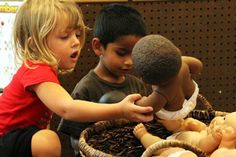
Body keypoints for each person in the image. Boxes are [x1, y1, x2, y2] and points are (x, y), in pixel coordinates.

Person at [0, 1, 154, 157]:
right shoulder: (36, 71)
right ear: (34, 45)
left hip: (16, 137)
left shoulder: (38, 70)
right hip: (4, 138)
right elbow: (67, 109)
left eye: (77, 35)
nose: (75, 42)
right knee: (47, 141)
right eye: (64, 36)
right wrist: (120, 110)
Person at [57, 3, 152, 156]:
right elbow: (74, 140)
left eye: (135, 53)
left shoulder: (137, 85)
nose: (130, 61)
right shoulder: (86, 88)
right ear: (98, 46)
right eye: (121, 53)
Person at [132, 34, 203, 120]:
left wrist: (136, 102)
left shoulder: (161, 91)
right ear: (177, 50)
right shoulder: (183, 62)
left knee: (156, 115)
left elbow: (149, 108)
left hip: (174, 113)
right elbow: (198, 66)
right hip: (193, 95)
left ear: (145, 80)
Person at [134, 112, 236, 156]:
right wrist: (194, 124)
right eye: (223, 117)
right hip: (179, 131)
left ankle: (143, 135)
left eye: (224, 120)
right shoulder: (208, 129)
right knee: (177, 123)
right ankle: (163, 116)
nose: (218, 120)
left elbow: (202, 147)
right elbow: (201, 128)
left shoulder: (214, 146)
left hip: (172, 146)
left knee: (158, 146)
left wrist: (214, 138)